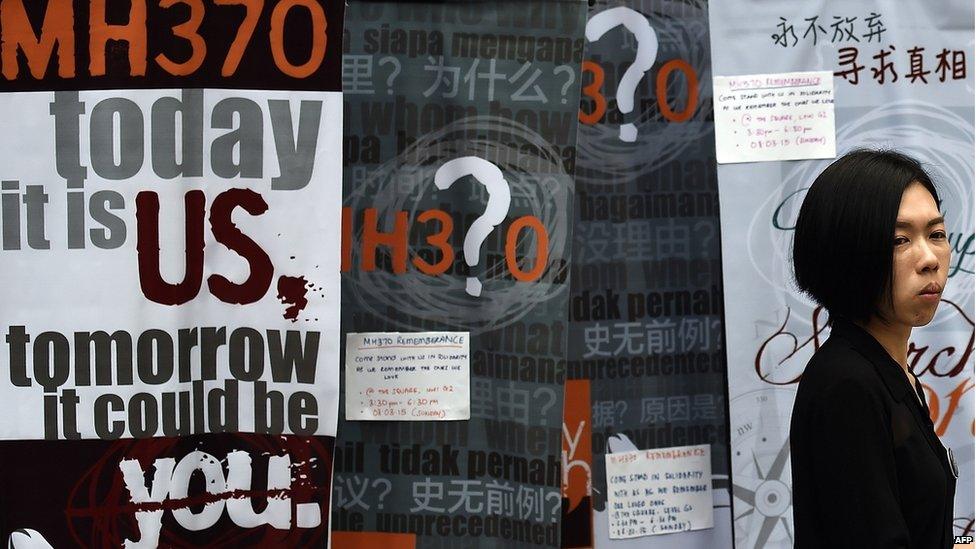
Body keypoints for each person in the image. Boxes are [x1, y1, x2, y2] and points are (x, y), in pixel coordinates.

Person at [789, 149, 958, 548]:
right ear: (849, 254)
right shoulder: (848, 385)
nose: (930, 259)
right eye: (900, 240)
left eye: (936, 234)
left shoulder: (888, 372)